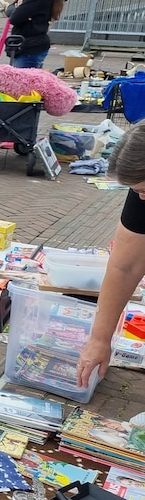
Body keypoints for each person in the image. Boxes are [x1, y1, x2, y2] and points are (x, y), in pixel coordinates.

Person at [77, 126, 145, 386]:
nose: (141, 197)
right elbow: (125, 266)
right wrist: (99, 339)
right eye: (137, 190)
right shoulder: (142, 192)